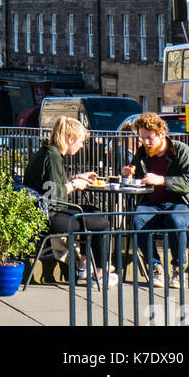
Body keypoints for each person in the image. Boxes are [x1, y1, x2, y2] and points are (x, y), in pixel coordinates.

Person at [23, 116, 117, 285]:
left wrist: (76, 177)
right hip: (48, 216)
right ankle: (100, 274)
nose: (81, 146)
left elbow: (49, 185)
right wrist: (74, 184)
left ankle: (85, 266)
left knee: (94, 212)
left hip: (44, 211)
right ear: (70, 138)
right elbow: (53, 196)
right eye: (80, 141)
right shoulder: (53, 156)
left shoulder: (48, 151)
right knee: (102, 223)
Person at [122, 111, 189, 287]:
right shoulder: (142, 154)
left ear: (162, 134)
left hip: (179, 203)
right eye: (142, 138)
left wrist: (163, 180)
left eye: (150, 138)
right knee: (137, 220)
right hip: (152, 204)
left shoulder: (181, 150)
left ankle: (179, 270)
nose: (146, 143)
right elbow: (140, 180)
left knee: (175, 220)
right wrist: (129, 175)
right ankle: (156, 267)